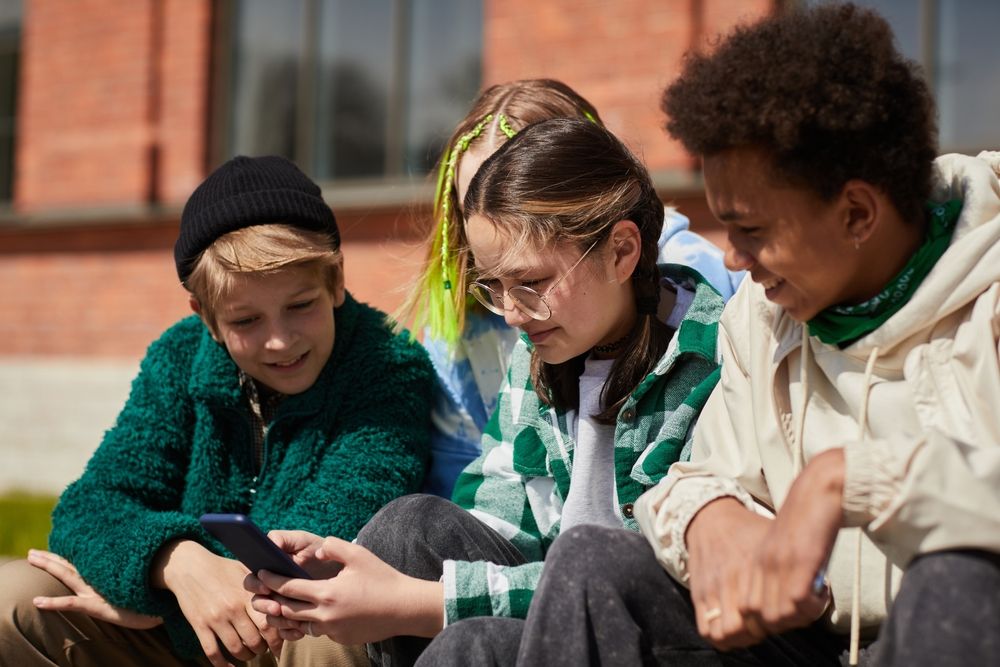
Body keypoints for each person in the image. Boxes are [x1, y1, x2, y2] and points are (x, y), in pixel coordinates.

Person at [474, 4, 1000, 666]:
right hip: (806, 646)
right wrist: (706, 515)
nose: (732, 258)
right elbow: (693, 476)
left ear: (857, 211)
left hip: (960, 631)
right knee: (591, 560)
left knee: (954, 582)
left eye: (751, 229)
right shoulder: (760, 311)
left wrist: (847, 481)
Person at [241, 117, 728, 666]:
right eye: (493, 287)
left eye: (532, 284)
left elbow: (635, 579)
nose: (512, 314)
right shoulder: (542, 349)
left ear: (620, 251)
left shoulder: (716, 359)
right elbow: (498, 523)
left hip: (658, 634)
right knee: (408, 528)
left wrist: (420, 602)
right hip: (552, 618)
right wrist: (351, 580)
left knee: (471, 644)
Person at [0, 156, 435, 666]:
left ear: (335, 280)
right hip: (188, 620)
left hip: (285, 631)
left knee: (321, 638)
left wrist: (156, 606)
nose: (280, 339)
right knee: (14, 598)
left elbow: (308, 555)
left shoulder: (390, 366)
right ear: (206, 317)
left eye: (301, 305)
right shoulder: (180, 355)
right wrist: (176, 565)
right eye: (246, 319)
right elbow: (87, 508)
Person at [395, 78, 742, 498]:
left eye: (515, 189)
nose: (512, 313)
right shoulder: (484, 336)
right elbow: (482, 498)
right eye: (475, 201)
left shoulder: (697, 314)